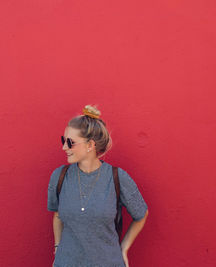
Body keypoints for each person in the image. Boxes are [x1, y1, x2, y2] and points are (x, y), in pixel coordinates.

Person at [47, 104, 149, 267]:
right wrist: (58, 248)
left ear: (90, 145)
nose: (64, 147)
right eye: (63, 140)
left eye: (70, 142)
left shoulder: (117, 178)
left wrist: (123, 248)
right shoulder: (60, 177)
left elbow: (141, 214)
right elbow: (58, 215)